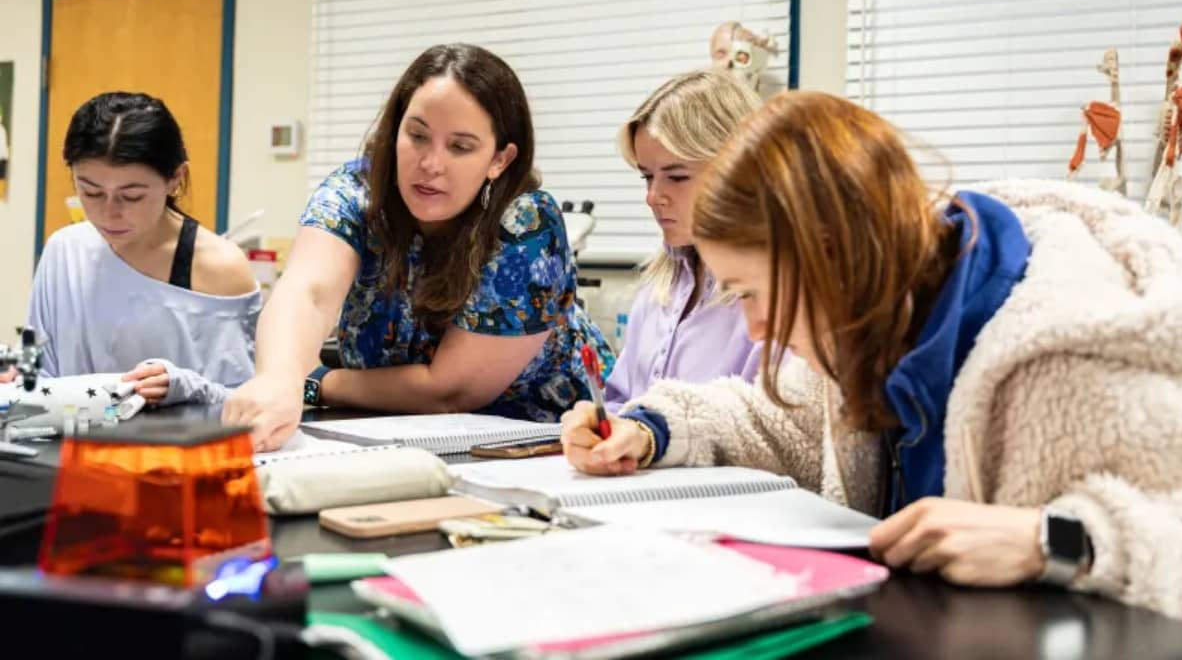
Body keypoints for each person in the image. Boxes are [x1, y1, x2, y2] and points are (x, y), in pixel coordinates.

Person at [562, 91, 1182, 622]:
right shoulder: (878, 312)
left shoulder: (1072, 346)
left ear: (832, 252)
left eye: (756, 294)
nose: (756, 327)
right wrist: (649, 427)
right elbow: (779, 419)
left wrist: (1054, 542)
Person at [224, 44, 614, 451]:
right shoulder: (357, 190)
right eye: (417, 135)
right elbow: (309, 290)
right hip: (395, 435)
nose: (431, 163)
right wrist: (277, 379)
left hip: (552, 449)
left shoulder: (527, 223)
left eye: (460, 147)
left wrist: (316, 382)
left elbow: (449, 391)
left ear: (499, 159)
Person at [2, 92, 260, 405]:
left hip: (178, 450)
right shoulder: (65, 251)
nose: (108, 213)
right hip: (69, 448)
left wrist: (183, 386)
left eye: (132, 196)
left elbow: (248, 402)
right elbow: (35, 364)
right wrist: (16, 370)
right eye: (91, 192)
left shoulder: (217, 266)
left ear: (175, 179)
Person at [605, 71, 764, 407]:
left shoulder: (772, 293)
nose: (653, 196)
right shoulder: (659, 286)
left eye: (676, 177)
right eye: (647, 177)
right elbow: (621, 400)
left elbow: (773, 437)